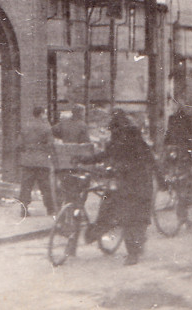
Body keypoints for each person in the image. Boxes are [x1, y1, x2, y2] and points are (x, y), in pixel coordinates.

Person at [79, 109, 156, 266]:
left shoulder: (134, 140)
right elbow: (106, 154)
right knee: (109, 203)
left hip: (138, 183)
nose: (113, 132)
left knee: (131, 217)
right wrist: (86, 160)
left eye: (114, 129)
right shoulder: (119, 138)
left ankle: (133, 253)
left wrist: (121, 168)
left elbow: (145, 161)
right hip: (123, 181)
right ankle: (99, 231)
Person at [18, 106, 56, 217]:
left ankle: (23, 209)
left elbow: (19, 144)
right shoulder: (45, 127)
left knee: (25, 186)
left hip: (28, 161)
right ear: (41, 114)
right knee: (45, 186)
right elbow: (51, 144)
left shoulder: (25, 126)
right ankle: (50, 209)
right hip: (41, 161)